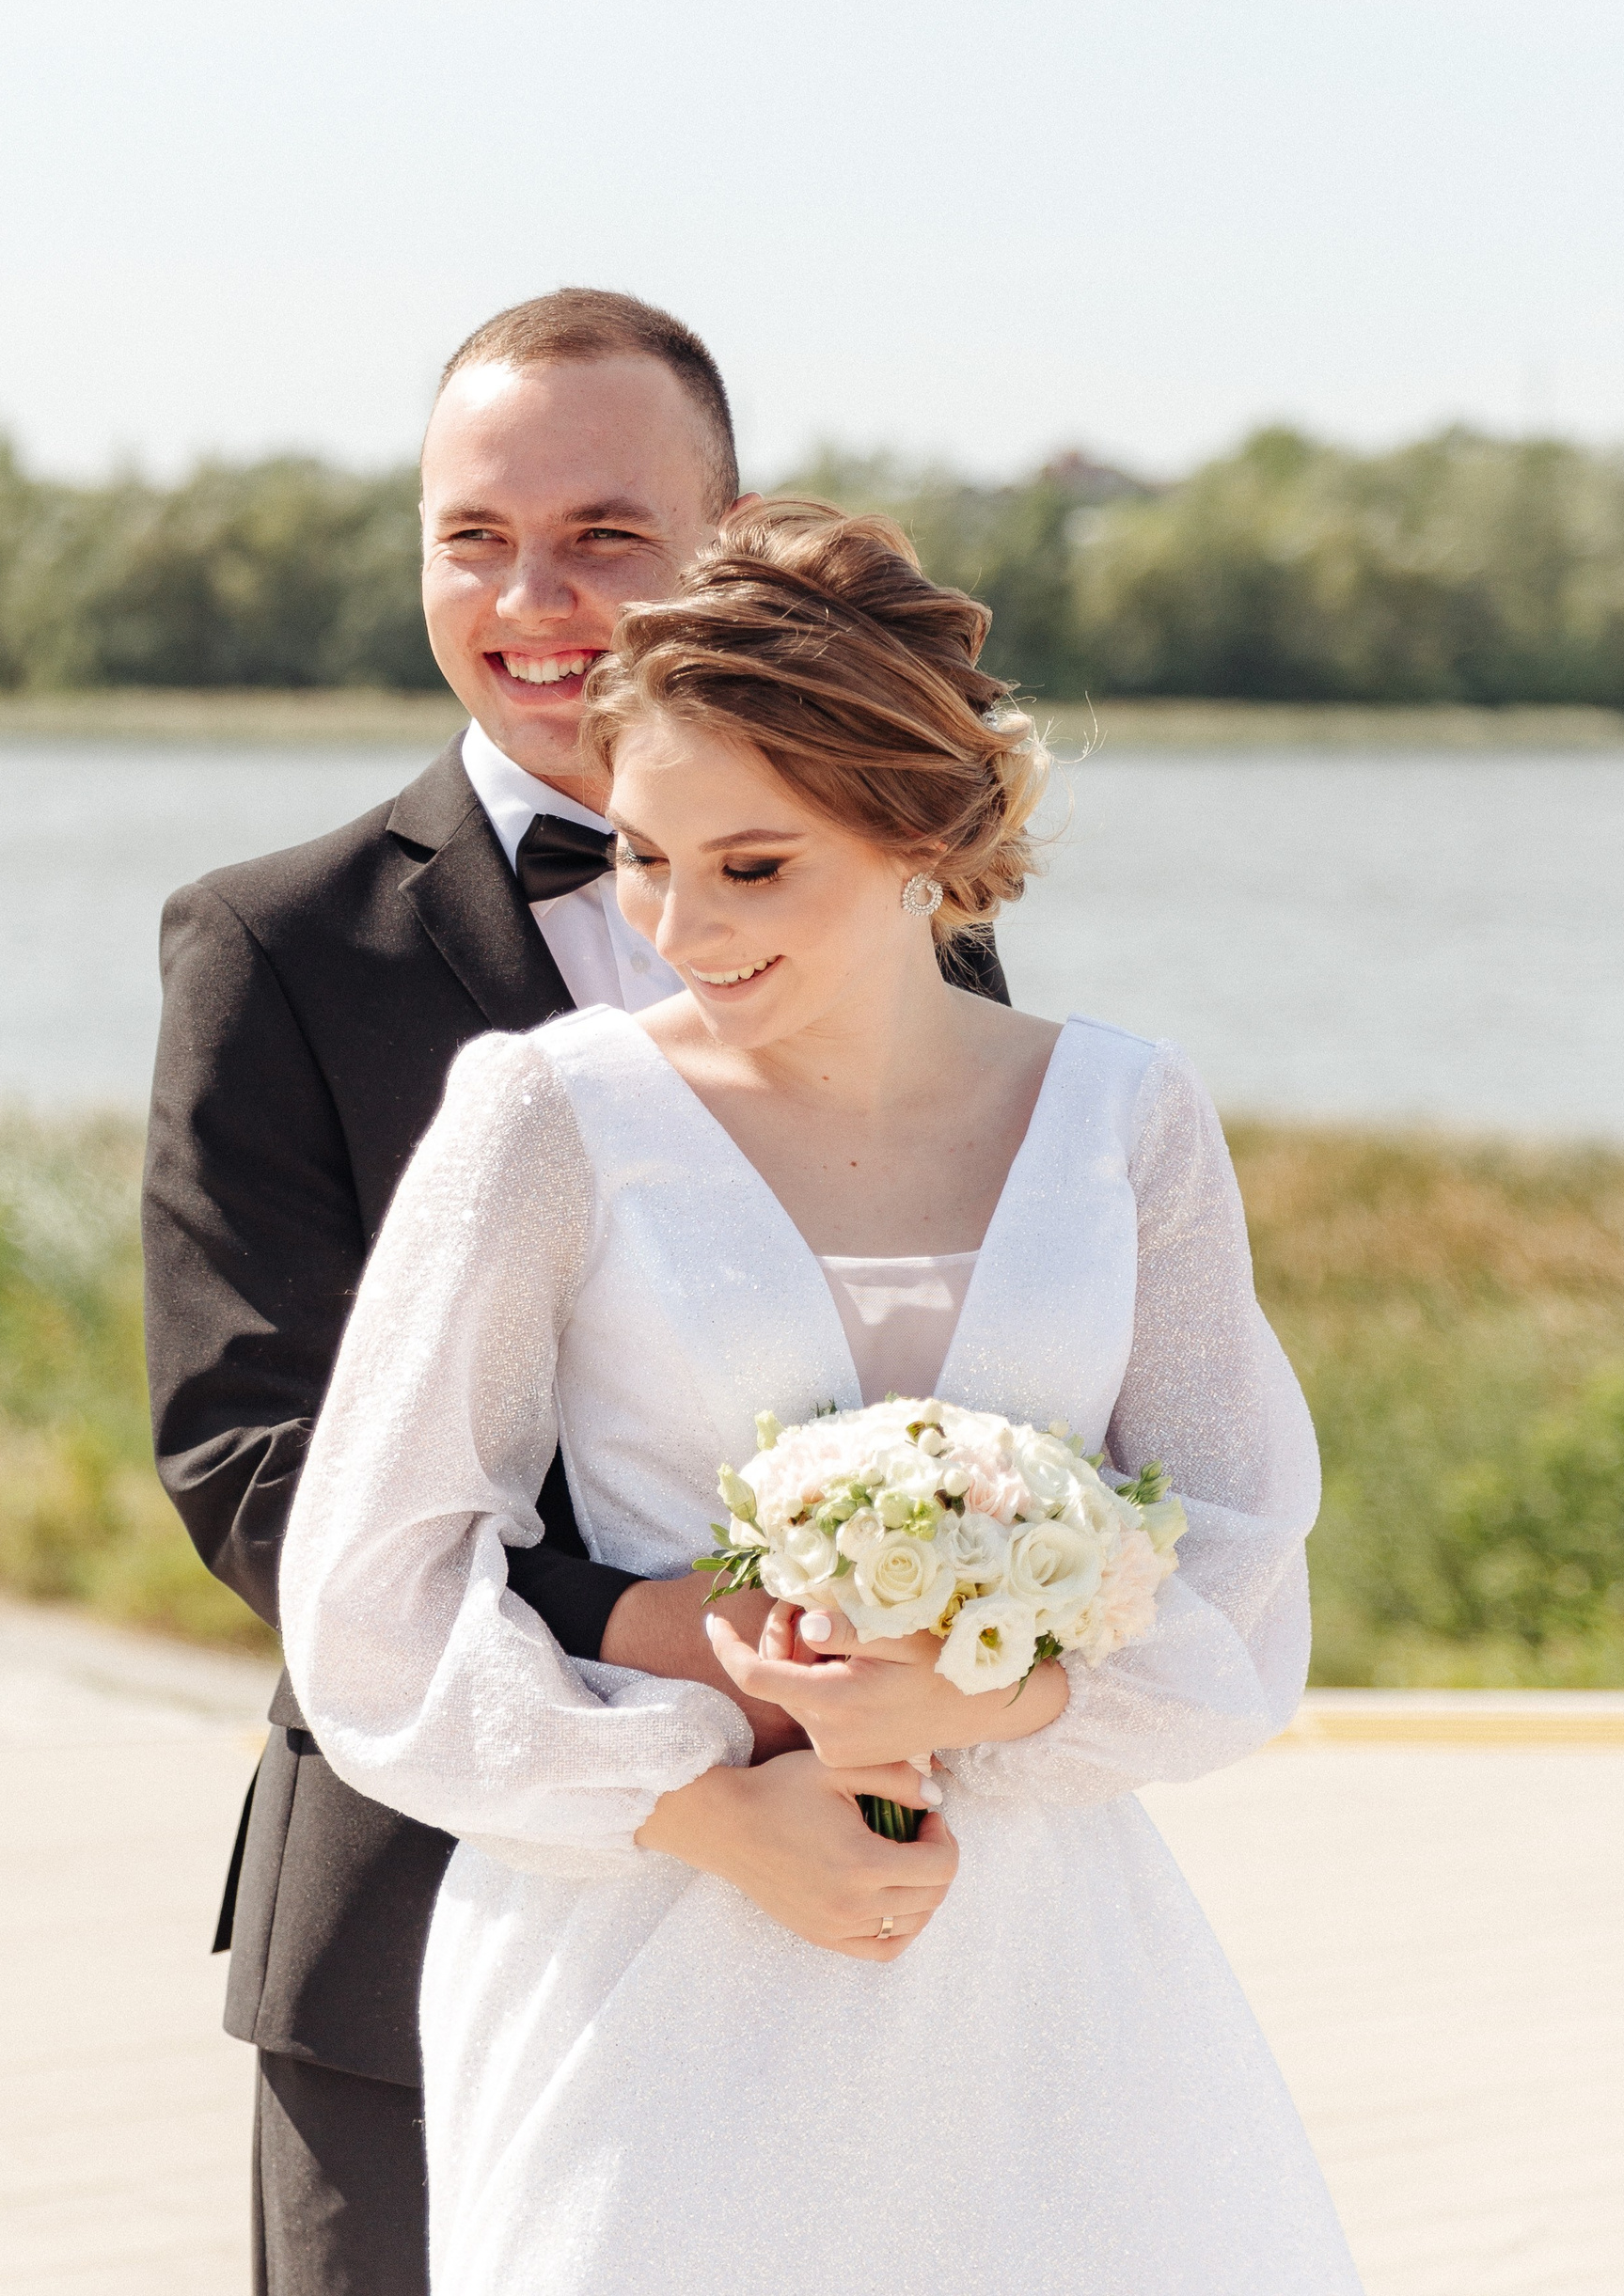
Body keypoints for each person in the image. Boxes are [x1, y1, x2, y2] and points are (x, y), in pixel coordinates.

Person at [280, 502, 1363, 2292]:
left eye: (754, 866)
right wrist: (699, 1807)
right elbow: (374, 1584)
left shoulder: (1126, 1119)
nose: (680, 928)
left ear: (926, 831)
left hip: (1040, 1976)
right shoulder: (545, 1117)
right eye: (639, 860)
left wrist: (993, 1701)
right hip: (648, 1950)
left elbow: (1240, 1550)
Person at [141, 292, 1007, 2294]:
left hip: (871, 1902)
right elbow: (253, 1459)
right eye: (470, 534)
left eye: (605, 534)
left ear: (733, 536)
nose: (530, 596)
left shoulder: (911, 930)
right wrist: (672, 1638)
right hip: (421, 1920)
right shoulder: (274, 951)